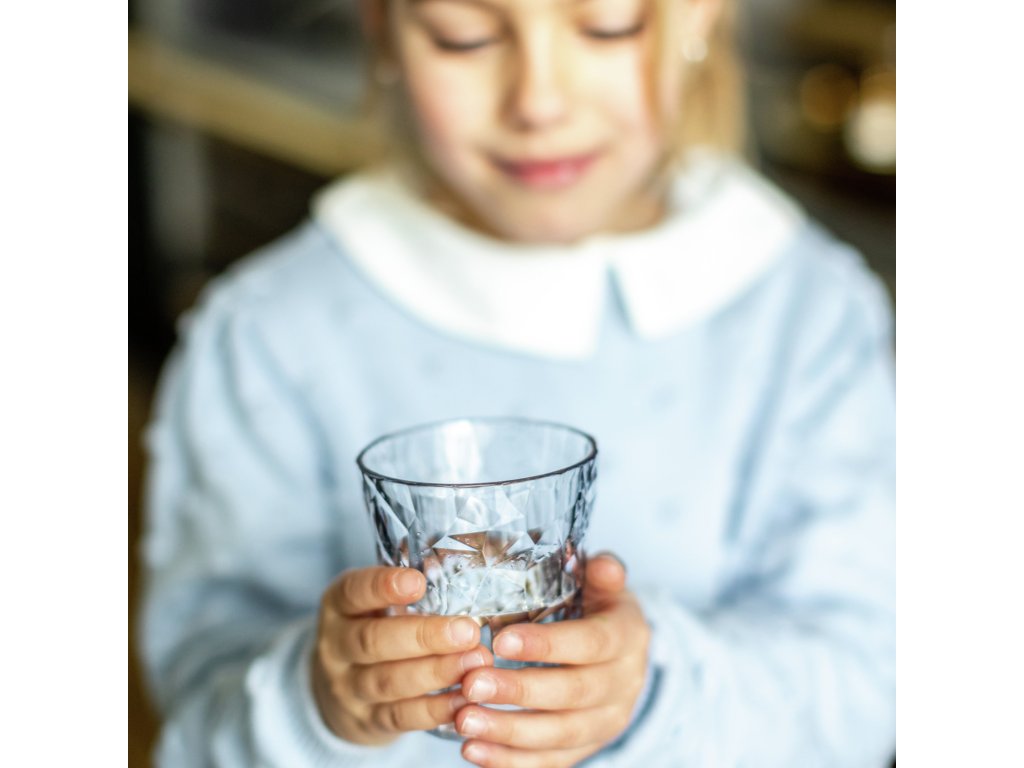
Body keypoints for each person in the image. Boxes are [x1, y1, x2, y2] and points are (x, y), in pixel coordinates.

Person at [137, 0, 896, 764]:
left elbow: (868, 692)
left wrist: (655, 691)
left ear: (699, 14)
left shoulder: (809, 317)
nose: (539, 102)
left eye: (605, 27)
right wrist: (316, 701)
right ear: (381, 26)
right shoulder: (269, 335)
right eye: (463, 37)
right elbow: (198, 717)